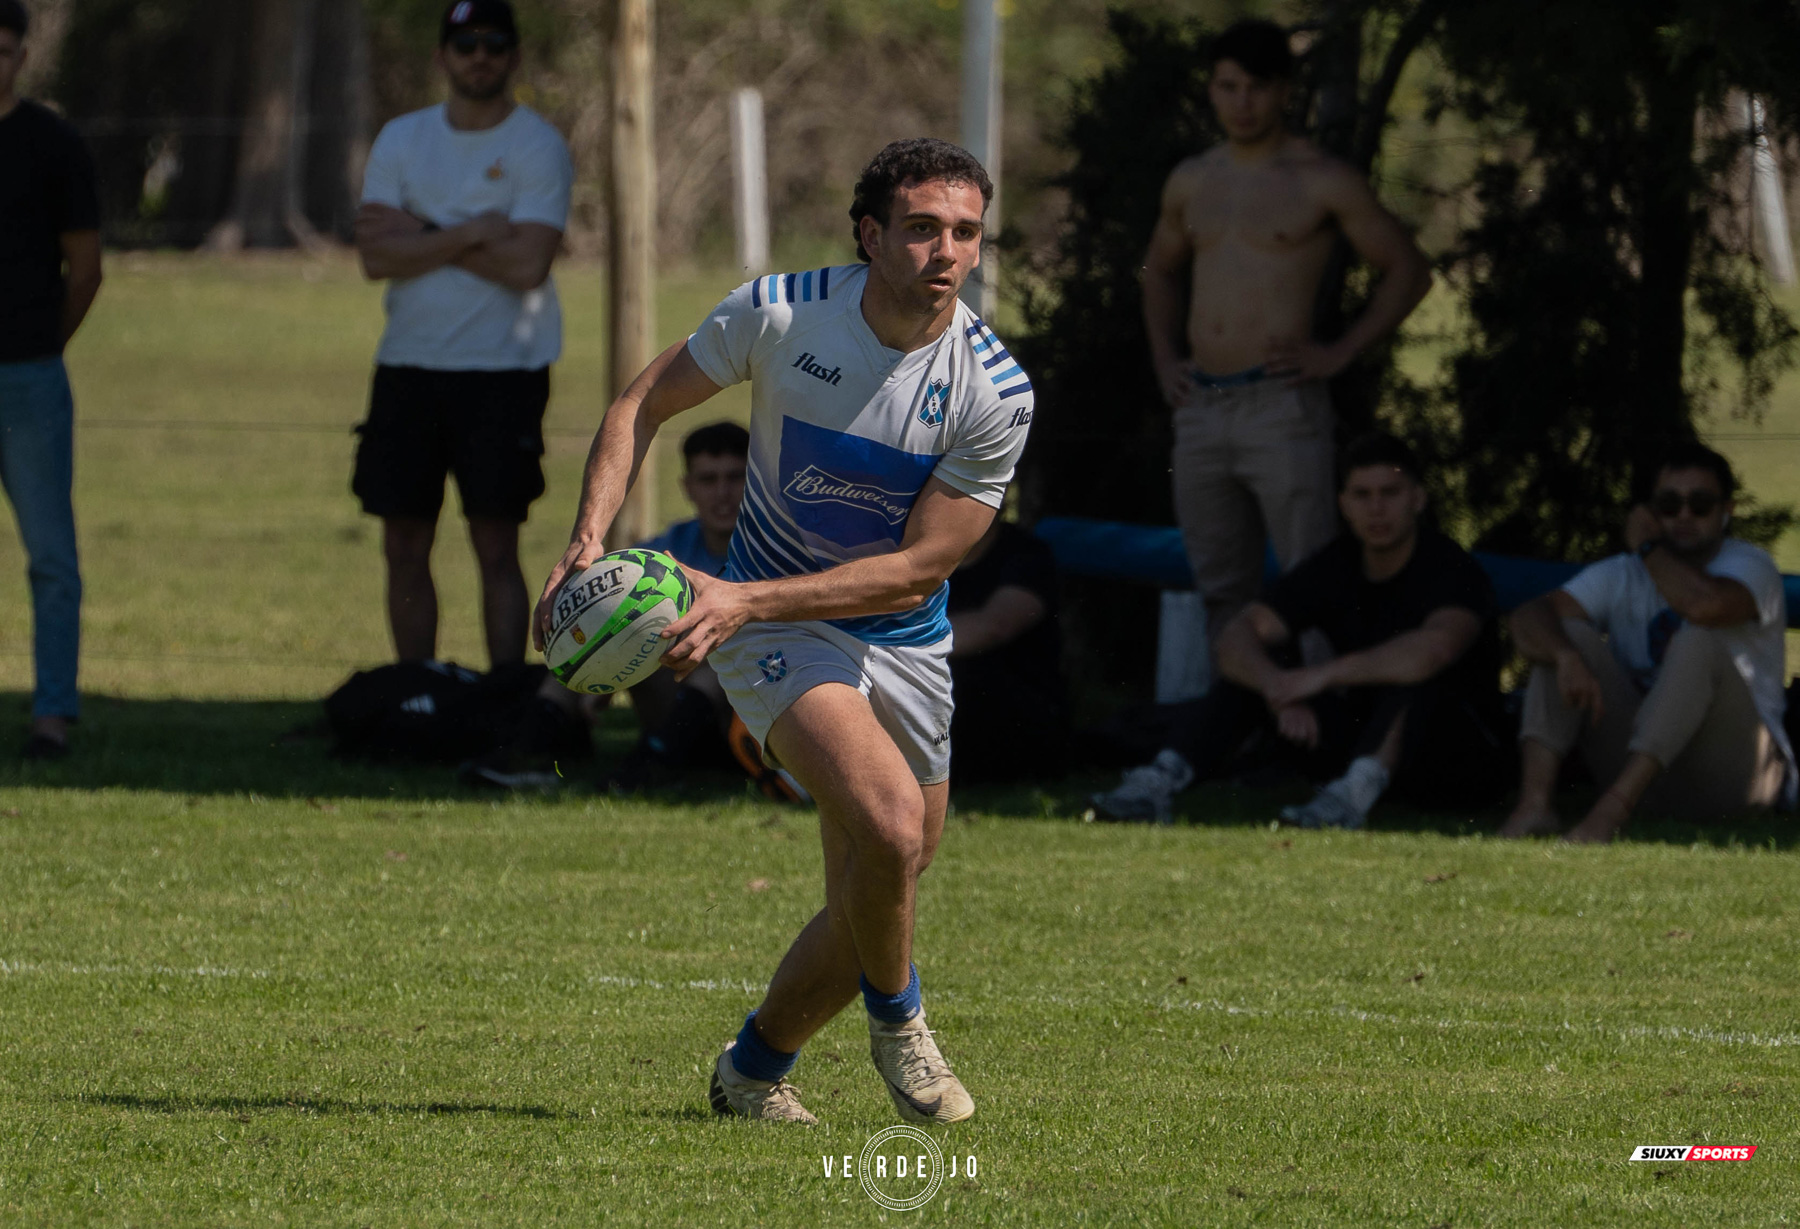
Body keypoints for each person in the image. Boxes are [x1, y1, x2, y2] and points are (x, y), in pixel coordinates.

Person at [535, 138, 1030, 1125]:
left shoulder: (994, 388)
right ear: (870, 233)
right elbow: (641, 404)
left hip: (899, 634)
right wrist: (589, 538)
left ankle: (753, 1069)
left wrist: (744, 600)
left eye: (966, 233)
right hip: (769, 624)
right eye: (924, 228)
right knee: (889, 826)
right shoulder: (781, 311)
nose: (947, 251)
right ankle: (904, 1024)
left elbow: (925, 562)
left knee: (889, 873)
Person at [1142, 19, 1432, 640]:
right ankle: (1231, 730)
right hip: (1201, 404)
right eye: (1228, 86)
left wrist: (1339, 352)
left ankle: (1324, 728)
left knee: (1312, 582)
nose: (1241, 103)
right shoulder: (1193, 178)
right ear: (1211, 90)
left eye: (1256, 87)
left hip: (1281, 405)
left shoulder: (1321, 178)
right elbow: (1158, 272)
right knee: (1219, 587)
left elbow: (1407, 270)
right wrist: (1166, 359)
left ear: (1283, 92)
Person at [1090, 434, 1508, 828]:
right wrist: (1277, 686)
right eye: (1363, 495)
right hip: (1360, 737)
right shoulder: (1337, 563)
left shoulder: (1453, 570)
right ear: (1343, 503)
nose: (1376, 509)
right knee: (1256, 665)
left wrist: (1318, 678)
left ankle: (1351, 798)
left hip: (1452, 752)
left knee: (1416, 675)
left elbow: (1434, 650)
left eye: (1390, 493)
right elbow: (1237, 636)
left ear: (1417, 498)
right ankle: (1159, 781)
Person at [352, 0, 573, 670]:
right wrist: (476, 229)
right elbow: (372, 256)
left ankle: (504, 693)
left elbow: (527, 265)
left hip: (503, 372)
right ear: (442, 55)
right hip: (408, 366)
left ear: (513, 56)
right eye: (466, 43)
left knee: (496, 544)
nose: (480, 55)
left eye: (494, 44)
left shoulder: (538, 145)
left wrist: (421, 230)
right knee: (403, 542)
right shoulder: (401, 138)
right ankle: (417, 688)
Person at [1501, 444, 1794, 843]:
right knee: (1568, 633)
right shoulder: (1622, 574)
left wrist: (1648, 547)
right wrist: (1564, 654)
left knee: (1699, 642)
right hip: (1643, 768)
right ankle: (1534, 806)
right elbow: (1528, 617)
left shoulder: (1750, 566)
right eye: (1669, 505)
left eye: (1700, 504)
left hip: (1736, 779)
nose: (1684, 516)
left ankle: (1608, 815)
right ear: (1651, 511)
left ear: (1728, 510)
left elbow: (1704, 606)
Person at [0, 0, 102, 760]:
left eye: (2, 49)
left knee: (49, 554)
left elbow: (86, 270)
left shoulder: (53, 146)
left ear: (22, 56)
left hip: (30, 378)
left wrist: (40, 344)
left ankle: (53, 714)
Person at [610, 421, 751, 787]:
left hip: (748, 717)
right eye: (708, 480)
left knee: (720, 656)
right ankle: (539, 743)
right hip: (673, 703)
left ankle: (652, 761)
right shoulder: (665, 553)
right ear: (687, 488)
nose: (723, 493)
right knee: (606, 626)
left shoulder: (777, 550)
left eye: (735, 477)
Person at [945, 517, 1068, 783]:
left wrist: (900, 641)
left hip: (1010, 711)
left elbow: (997, 626)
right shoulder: (920, 553)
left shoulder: (1027, 554)